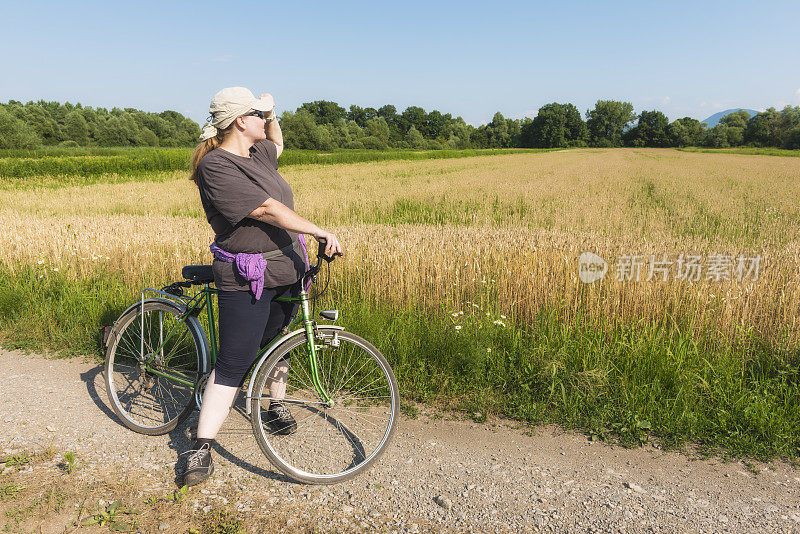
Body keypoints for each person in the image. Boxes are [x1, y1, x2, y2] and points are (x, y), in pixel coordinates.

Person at [182, 87, 342, 486]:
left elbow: (278, 139)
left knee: (278, 342)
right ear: (240, 120)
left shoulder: (260, 153)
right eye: (256, 113)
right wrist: (319, 230)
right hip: (246, 278)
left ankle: (275, 405)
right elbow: (266, 209)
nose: (264, 119)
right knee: (235, 361)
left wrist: (270, 109)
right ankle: (200, 447)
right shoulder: (216, 166)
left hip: (287, 268)